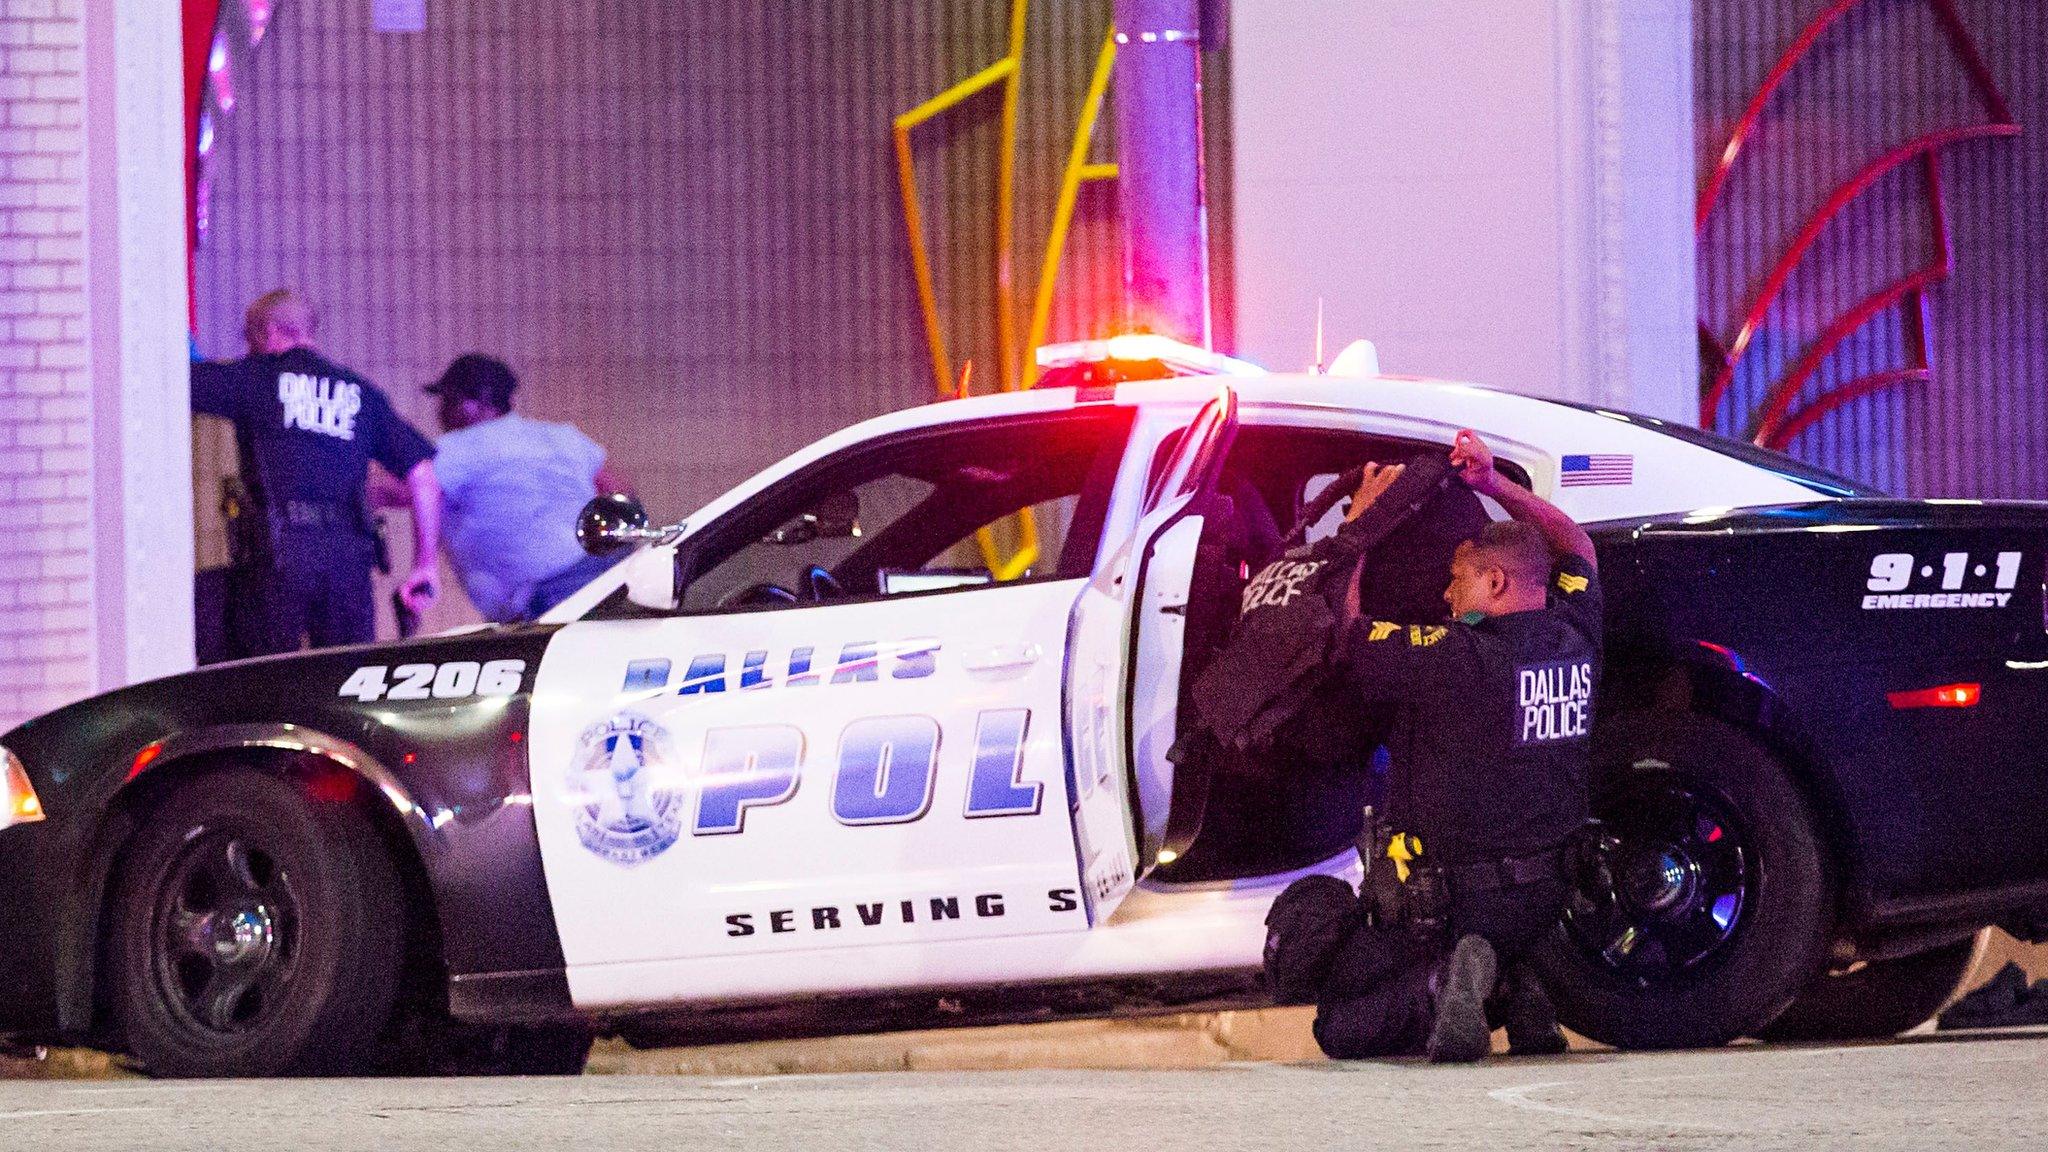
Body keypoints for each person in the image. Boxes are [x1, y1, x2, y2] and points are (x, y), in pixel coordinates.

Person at [1264, 429, 1601, 1063]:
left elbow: (1346, 631)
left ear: (1496, 584)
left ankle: (1457, 978)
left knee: (1339, 1021)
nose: (1446, 596)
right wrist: (1492, 483)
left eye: (1457, 581)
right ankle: (1517, 980)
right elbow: (1576, 545)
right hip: (1550, 897)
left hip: (1459, 903)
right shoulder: (1575, 630)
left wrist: (1360, 527)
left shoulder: (1457, 656)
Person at [192, 289, 441, 656]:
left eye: (249, 337)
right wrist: (425, 565)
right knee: (348, 678)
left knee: (267, 679)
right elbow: (423, 476)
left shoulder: (255, 378)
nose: (247, 349)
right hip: (349, 557)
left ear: (270, 331)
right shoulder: (361, 394)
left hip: (278, 554)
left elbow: (179, 380)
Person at [408, 353, 632, 623]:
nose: (440, 412)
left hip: (549, 592)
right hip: (611, 570)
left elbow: (401, 488)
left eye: (446, 401)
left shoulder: (457, 447)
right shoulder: (559, 436)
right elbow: (620, 491)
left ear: (469, 404)